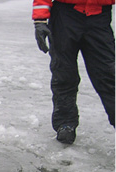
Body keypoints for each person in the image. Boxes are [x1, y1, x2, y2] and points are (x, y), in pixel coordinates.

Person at [33, 0, 115, 144]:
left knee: (108, 75)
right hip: (65, 16)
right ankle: (65, 124)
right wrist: (40, 20)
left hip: (99, 16)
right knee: (64, 74)